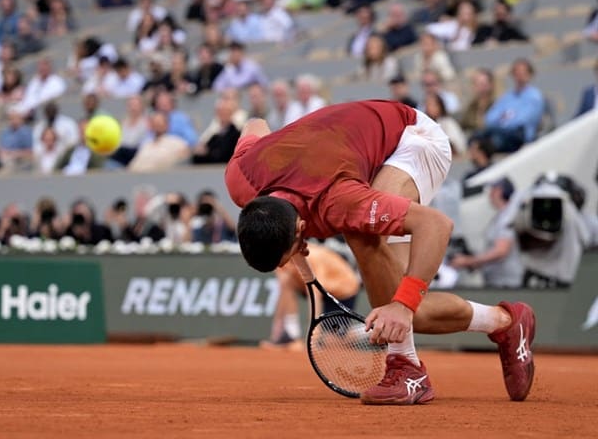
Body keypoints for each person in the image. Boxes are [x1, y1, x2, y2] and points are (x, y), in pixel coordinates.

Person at [225, 100, 536, 404]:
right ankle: (505, 322)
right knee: (412, 305)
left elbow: (436, 226)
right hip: (354, 145)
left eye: (286, 257)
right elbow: (256, 124)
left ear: (298, 228)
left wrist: (402, 305)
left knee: (368, 242)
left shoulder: (338, 201)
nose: (288, 265)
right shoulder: (242, 178)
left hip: (410, 138)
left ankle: (407, 369)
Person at [263, 242, 360, 349]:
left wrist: (313, 337)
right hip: (321, 289)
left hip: (343, 291)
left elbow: (315, 294)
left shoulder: (310, 257)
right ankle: (291, 335)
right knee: (286, 281)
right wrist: (276, 334)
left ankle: (366, 332)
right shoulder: (279, 260)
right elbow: (283, 292)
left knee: (330, 343)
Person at [451, 177, 524, 288]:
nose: (489, 194)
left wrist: (468, 261)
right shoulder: (502, 216)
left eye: (492, 190)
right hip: (498, 281)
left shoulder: (507, 218)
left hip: (506, 283)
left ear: (499, 191)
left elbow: (501, 251)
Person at [478, 58, 544, 153]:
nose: (519, 76)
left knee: (491, 142)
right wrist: (503, 122)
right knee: (477, 138)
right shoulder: (507, 97)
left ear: (529, 74)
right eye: (517, 73)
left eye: (523, 72)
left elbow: (521, 122)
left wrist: (502, 121)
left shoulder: (534, 97)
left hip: (520, 138)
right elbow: (490, 118)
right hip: (501, 133)